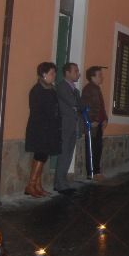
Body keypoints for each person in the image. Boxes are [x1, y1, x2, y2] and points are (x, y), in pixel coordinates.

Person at [24, 62, 61, 198]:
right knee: (40, 155)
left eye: (54, 73)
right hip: (39, 128)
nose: (54, 76)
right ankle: (30, 185)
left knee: (42, 156)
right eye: (52, 73)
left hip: (49, 129)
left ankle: (37, 186)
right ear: (44, 74)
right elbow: (37, 111)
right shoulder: (37, 90)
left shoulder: (50, 89)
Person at [54, 62, 83, 194]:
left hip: (73, 125)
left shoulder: (75, 89)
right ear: (67, 72)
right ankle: (60, 183)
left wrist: (78, 105)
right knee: (64, 153)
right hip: (65, 125)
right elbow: (73, 103)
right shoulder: (62, 86)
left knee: (69, 154)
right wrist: (78, 105)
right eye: (76, 71)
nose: (78, 73)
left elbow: (80, 105)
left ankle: (63, 182)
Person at [81, 65, 108, 180]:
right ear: (93, 77)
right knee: (92, 149)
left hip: (98, 124)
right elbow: (87, 106)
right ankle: (92, 173)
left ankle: (96, 171)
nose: (102, 77)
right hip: (92, 125)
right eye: (99, 75)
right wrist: (93, 120)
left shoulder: (96, 89)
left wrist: (105, 118)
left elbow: (101, 106)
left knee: (97, 148)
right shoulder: (89, 89)